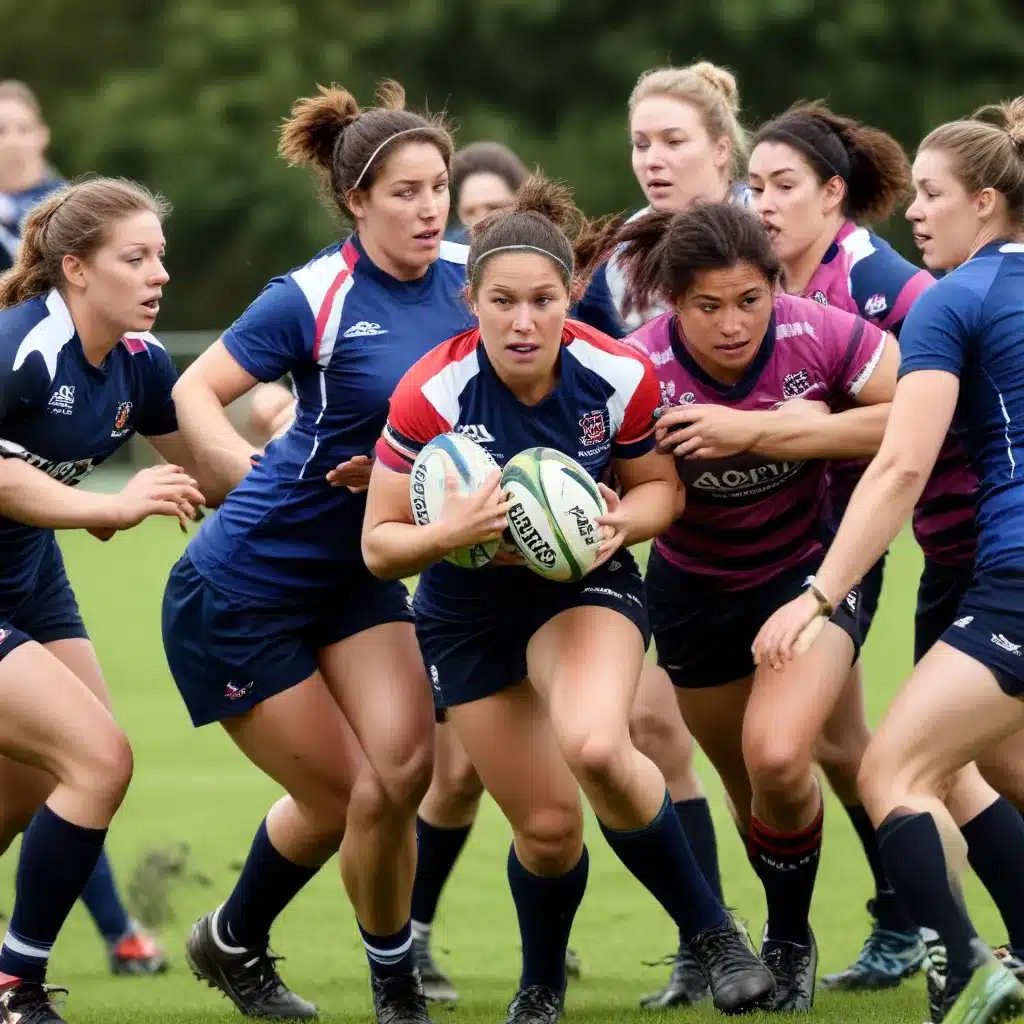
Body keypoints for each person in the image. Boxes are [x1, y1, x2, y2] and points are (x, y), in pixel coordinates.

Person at [362, 177, 775, 1024]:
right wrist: (449, 532)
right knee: (548, 829)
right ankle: (540, 986)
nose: (524, 322)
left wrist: (621, 522)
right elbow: (378, 544)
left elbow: (663, 492)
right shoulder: (431, 394)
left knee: (594, 743)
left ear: (570, 296)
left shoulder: (614, 372)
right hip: (468, 610)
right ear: (469, 299)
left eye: (543, 300)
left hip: (583, 585)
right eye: (503, 301)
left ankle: (715, 936)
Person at [162, 80, 473, 1024]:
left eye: (439, 187)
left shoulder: (471, 275)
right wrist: (243, 472)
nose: (429, 209)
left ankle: (385, 984)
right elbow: (190, 392)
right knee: (347, 795)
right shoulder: (312, 295)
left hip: (362, 574)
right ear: (356, 203)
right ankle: (245, 942)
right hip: (243, 588)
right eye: (405, 193)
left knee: (406, 770)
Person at [753, 97, 1024, 1024]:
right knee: (987, 763)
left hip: (1012, 574)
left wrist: (820, 596)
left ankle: (966, 964)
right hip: (988, 566)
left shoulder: (952, 299)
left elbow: (902, 462)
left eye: (934, 194)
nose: (913, 210)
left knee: (893, 774)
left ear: (986, 203)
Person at [604, 199, 901, 1010]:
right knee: (748, 792)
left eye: (750, 301)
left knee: (779, 756)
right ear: (672, 303)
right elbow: (590, 471)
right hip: (693, 590)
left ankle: (789, 942)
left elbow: (909, 420)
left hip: (812, 571)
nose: (732, 325)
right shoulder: (637, 369)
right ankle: (781, 930)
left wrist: (759, 431)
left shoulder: (824, 333)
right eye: (708, 307)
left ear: (776, 289)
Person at [0, 177, 207, 1023]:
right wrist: (105, 506)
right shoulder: (23, 345)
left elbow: (216, 473)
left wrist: (321, 468)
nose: (158, 274)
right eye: (136, 258)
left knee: (27, 791)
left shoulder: (139, 362)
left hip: (29, 582)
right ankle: (18, 987)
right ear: (76, 269)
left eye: (160, 256)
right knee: (99, 760)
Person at [747, 100, 940, 989]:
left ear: (834, 194)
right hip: (806, 536)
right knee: (841, 744)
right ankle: (906, 919)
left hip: (889, 531)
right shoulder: (759, 279)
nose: (764, 204)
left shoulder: (882, 280)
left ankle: (932, 927)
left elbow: (919, 422)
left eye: (783, 186)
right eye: (753, 187)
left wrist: (798, 430)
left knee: (923, 758)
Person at [578, 61, 754, 1011]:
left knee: (829, 751)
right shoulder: (622, 263)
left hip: (789, 536)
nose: (652, 158)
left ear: (723, 151)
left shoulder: (772, 234)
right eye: (641, 142)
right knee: (654, 727)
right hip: (678, 539)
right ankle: (710, 942)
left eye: (674, 140)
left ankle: (897, 924)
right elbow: (594, 395)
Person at [0, 82, 64, 274]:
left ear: (43, 135)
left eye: (24, 129)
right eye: (1, 131)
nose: (13, 141)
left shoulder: (69, 206)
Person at [446, 140, 528, 242]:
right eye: (469, 212)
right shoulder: (443, 253)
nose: (480, 221)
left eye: (494, 208)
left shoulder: (549, 251)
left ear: (524, 206)